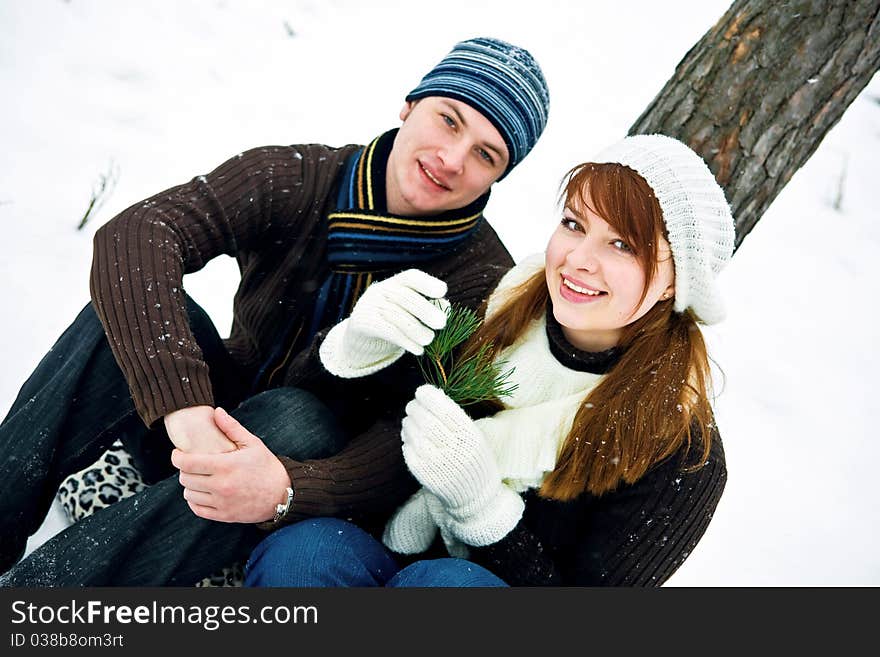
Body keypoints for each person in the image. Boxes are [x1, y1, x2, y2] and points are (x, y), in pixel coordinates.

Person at [0, 37, 550, 586]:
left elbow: (412, 447)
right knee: (117, 321)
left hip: (305, 483)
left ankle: (39, 600)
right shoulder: (303, 177)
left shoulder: (479, 283)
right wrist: (186, 407)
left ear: (498, 177)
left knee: (298, 416)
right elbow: (140, 234)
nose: (451, 160)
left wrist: (288, 487)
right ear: (409, 106)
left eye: (486, 154)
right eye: (448, 120)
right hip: (207, 426)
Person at [243, 134, 734, 587]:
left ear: (675, 282)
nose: (578, 258)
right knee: (304, 554)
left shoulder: (681, 452)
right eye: (574, 224)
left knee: (445, 587)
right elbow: (333, 412)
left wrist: (485, 513)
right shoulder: (494, 305)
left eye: (622, 245)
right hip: (384, 547)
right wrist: (354, 347)